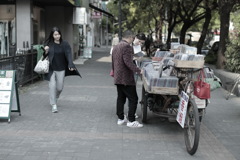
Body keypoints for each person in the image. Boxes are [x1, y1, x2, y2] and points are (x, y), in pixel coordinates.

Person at [43, 27, 81, 113]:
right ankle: (53, 104)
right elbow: (44, 56)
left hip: (61, 68)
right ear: (52, 35)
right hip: (51, 68)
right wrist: (45, 51)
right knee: (52, 86)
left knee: (59, 88)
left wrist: (70, 64)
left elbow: (68, 54)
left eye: (58, 34)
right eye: (55, 35)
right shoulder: (49, 43)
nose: (57, 36)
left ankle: (56, 97)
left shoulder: (65, 44)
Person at [112, 30, 143, 128]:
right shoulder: (127, 47)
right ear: (129, 37)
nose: (132, 40)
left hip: (118, 76)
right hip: (126, 78)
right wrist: (138, 70)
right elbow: (128, 62)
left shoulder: (116, 46)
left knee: (121, 98)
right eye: (133, 38)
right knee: (133, 98)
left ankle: (120, 118)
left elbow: (113, 61)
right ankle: (131, 120)